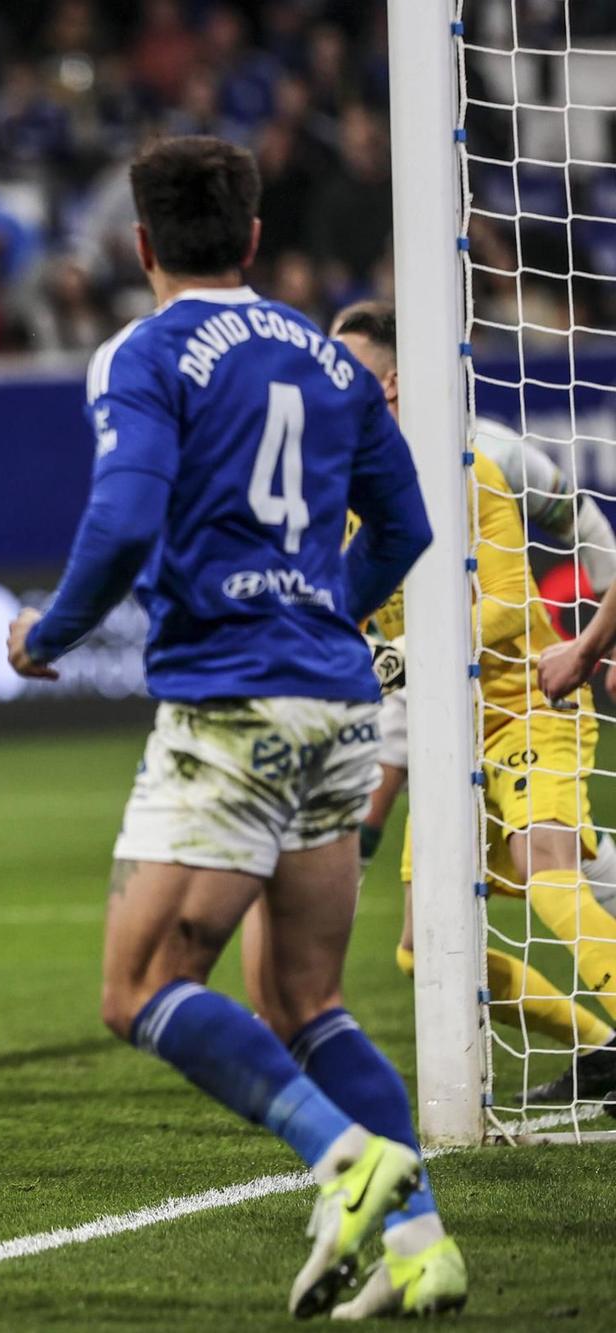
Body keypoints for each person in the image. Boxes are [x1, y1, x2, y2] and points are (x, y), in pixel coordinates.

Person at [4, 136, 462, 1317]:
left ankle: (342, 1156)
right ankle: (419, 1245)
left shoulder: (142, 351)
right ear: (253, 239)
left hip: (230, 702)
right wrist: (322, 611)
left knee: (139, 986)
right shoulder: (328, 357)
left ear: (142, 245)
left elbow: (119, 521)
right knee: (309, 1002)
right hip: (341, 700)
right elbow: (405, 529)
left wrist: (45, 636)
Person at [253, 301, 616, 1112]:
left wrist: (596, 639)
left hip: (526, 700)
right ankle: (603, 1051)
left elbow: (509, 609)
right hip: (446, 727)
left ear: (390, 384)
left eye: (341, 368)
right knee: (425, 950)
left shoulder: (470, 462)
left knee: (548, 875)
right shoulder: (337, 490)